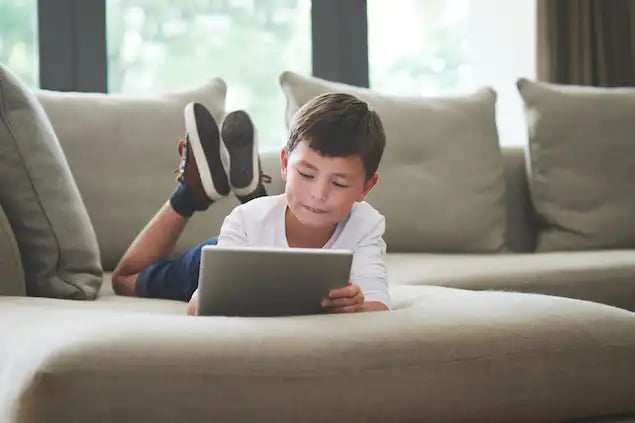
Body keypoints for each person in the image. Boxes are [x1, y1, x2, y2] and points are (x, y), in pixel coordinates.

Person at [112, 93, 390, 315]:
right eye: (306, 174)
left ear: (366, 187)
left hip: (258, 230)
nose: (318, 194)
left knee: (262, 219)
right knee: (125, 279)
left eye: (339, 183)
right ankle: (190, 193)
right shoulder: (244, 221)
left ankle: (255, 193)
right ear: (284, 164)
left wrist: (355, 306)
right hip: (221, 255)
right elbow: (198, 307)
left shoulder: (366, 224)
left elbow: (378, 306)